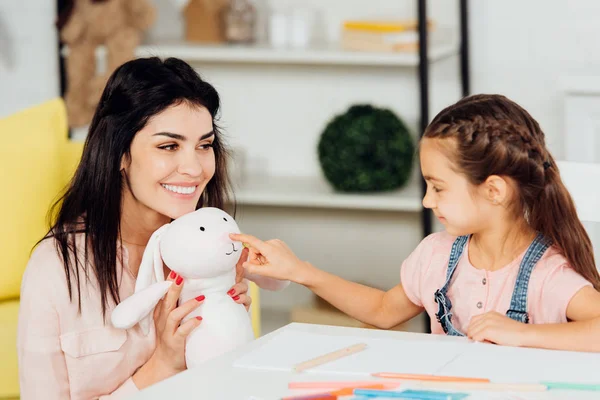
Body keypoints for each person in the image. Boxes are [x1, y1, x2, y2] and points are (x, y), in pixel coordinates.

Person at [232, 94, 600, 353]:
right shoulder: (437, 256)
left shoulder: (546, 273)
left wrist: (521, 334)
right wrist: (300, 271)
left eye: (438, 187)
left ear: (494, 191)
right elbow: (382, 310)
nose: (427, 200)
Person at [17, 57, 286, 399]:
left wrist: (229, 332)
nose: (194, 168)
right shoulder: (55, 267)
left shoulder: (214, 250)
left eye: (204, 145)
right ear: (120, 154)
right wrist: (164, 365)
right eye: (168, 146)